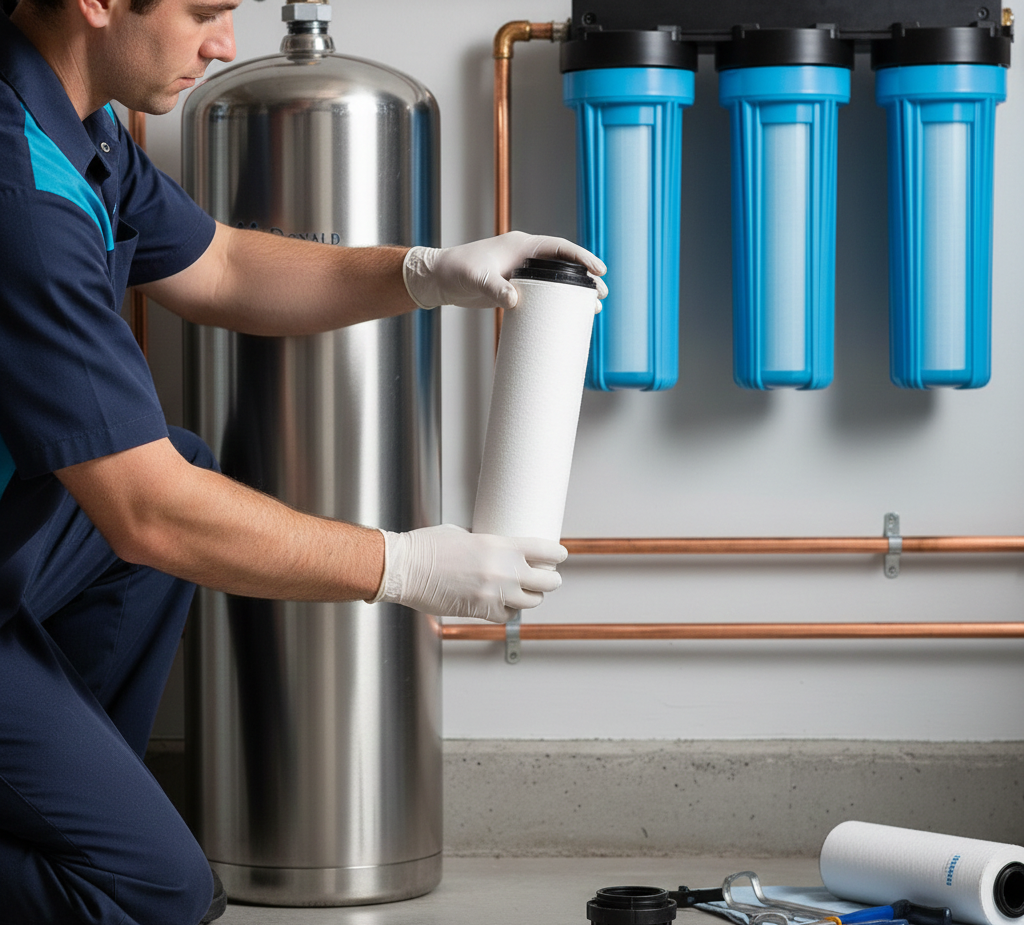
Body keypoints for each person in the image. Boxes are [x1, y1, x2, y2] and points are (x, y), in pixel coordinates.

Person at [0, 0, 608, 918]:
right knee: (156, 889)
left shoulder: (78, 123)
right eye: (203, 12)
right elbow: (151, 513)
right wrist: (402, 566)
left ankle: (65, 808)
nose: (224, 45)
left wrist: (426, 271)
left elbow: (224, 266)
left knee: (182, 466)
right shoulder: (22, 192)